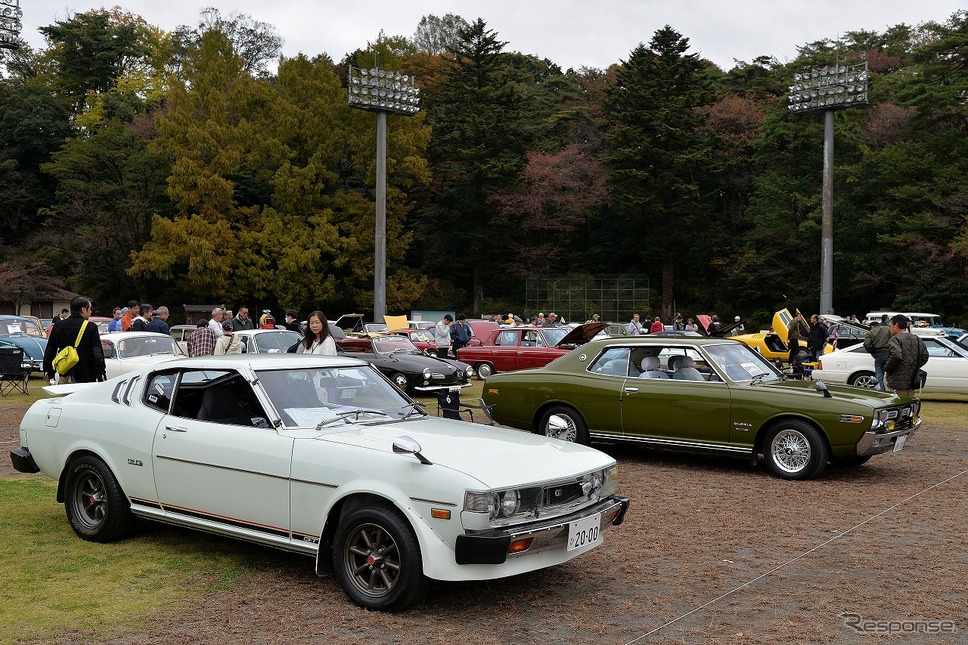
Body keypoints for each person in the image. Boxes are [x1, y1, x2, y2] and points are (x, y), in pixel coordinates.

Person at [42, 296, 106, 383]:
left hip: (65, 371)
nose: (91, 311)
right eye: (90, 309)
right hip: (86, 375)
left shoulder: (58, 325)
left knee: (66, 396)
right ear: (83, 309)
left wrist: (49, 372)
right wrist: (101, 374)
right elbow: (97, 353)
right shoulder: (90, 327)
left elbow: (50, 350)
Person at [885, 315, 929, 394]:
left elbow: (896, 355)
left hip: (897, 382)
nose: (889, 328)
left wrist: (887, 368)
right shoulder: (917, 339)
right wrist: (915, 365)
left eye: (890, 326)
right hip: (912, 382)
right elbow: (925, 356)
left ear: (896, 325)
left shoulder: (895, 339)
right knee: (908, 405)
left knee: (894, 404)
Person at [863, 314, 891, 390]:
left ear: (871, 327)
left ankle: (881, 391)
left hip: (878, 355)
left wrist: (872, 352)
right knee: (891, 375)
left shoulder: (870, 332)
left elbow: (866, 344)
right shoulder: (888, 329)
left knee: (879, 376)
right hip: (889, 354)